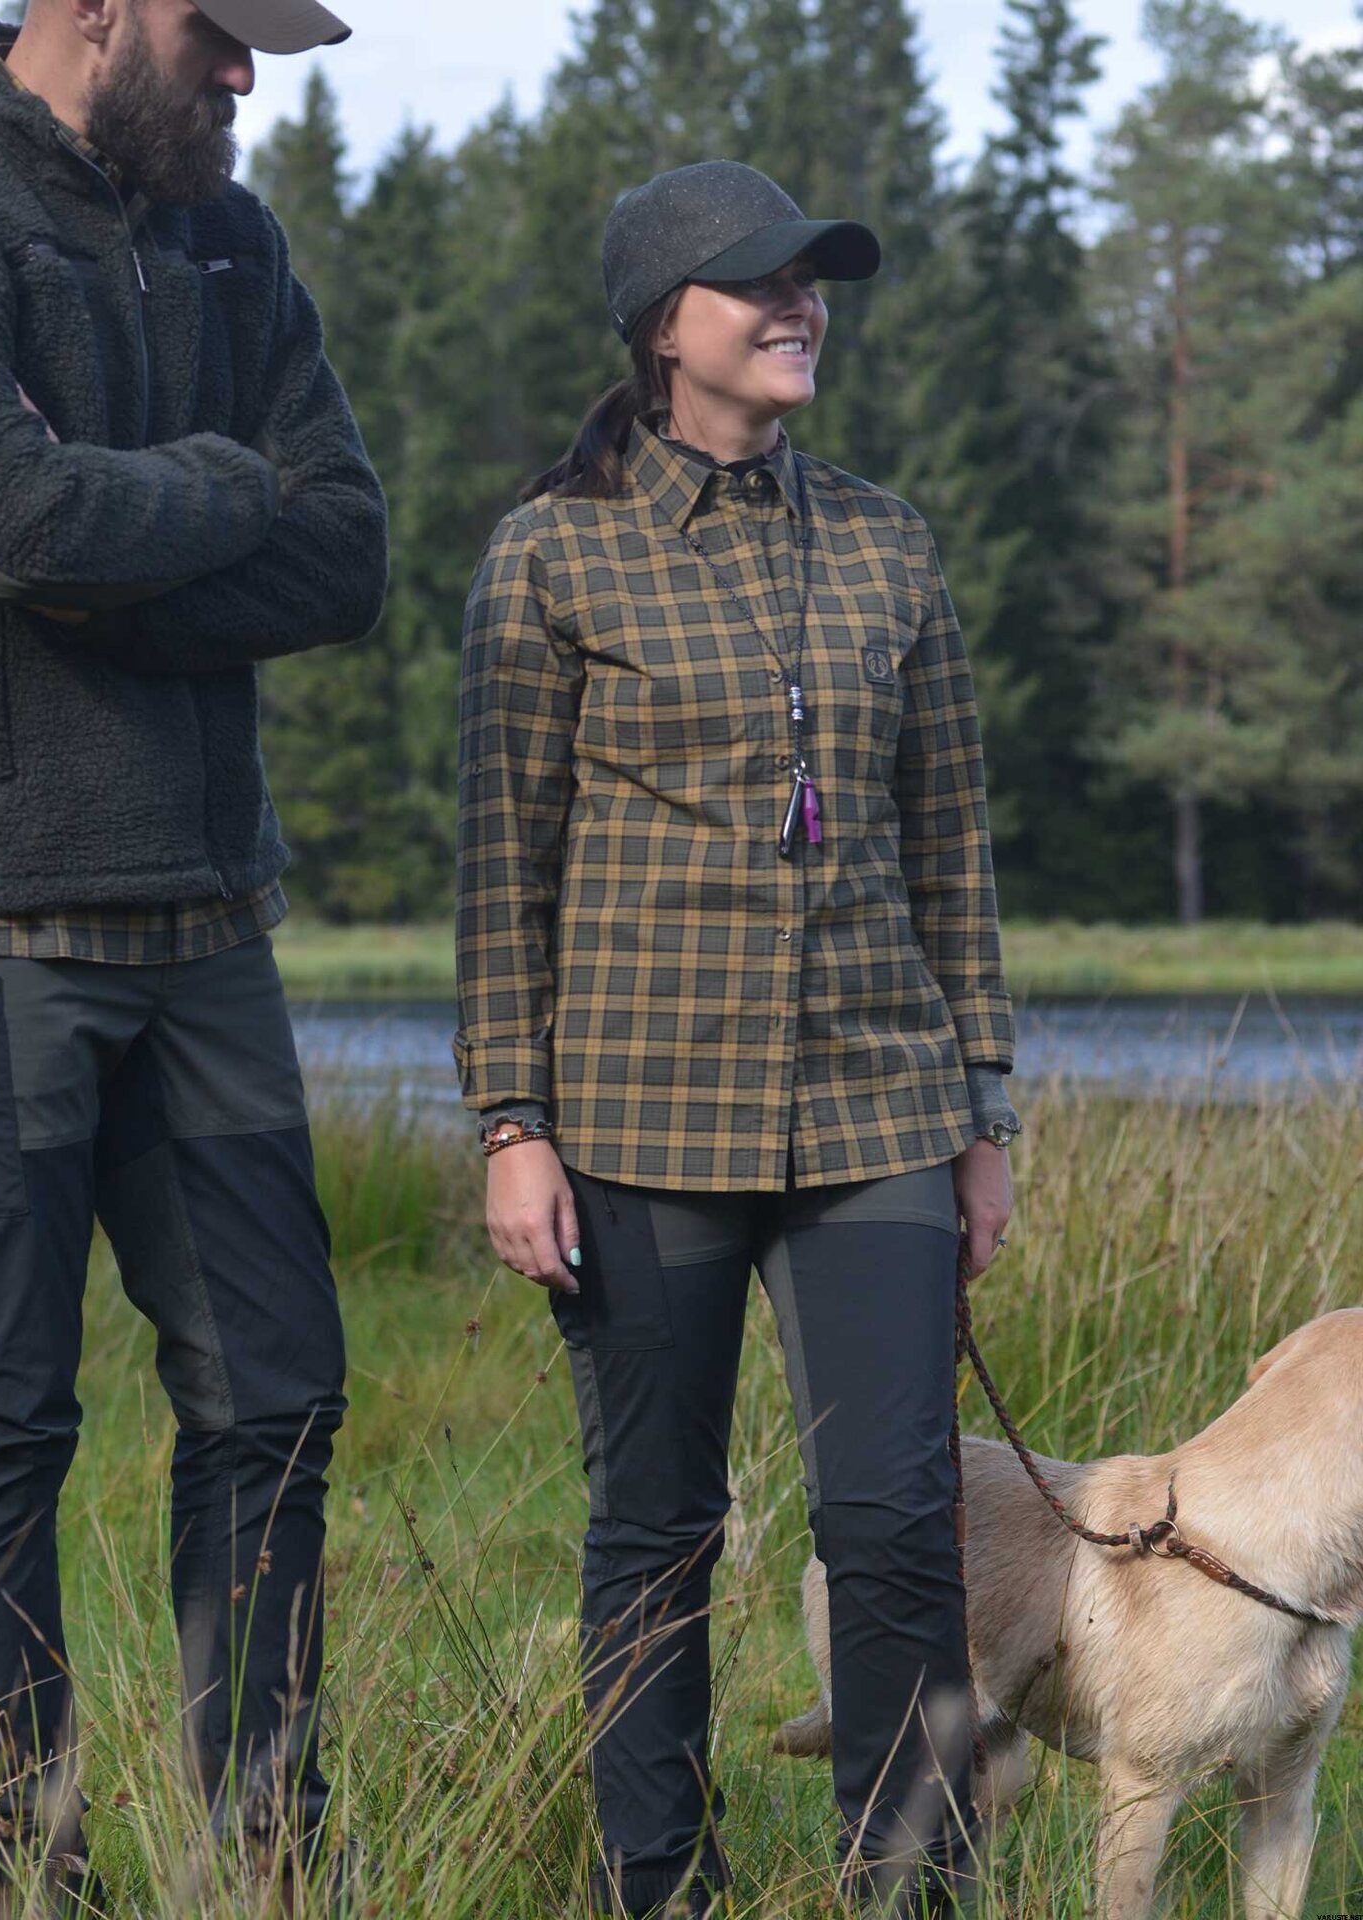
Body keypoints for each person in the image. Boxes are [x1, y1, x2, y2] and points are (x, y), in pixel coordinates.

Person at [454, 160, 1020, 1918]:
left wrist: (983, 1114)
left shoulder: (886, 540)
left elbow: (950, 847)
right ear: (660, 326)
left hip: (881, 1110)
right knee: (655, 1527)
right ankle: (658, 1882)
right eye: (759, 283)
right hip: (634, 1120)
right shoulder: (552, 551)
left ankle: (911, 1886)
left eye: (811, 280)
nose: (799, 308)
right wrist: (511, 1123)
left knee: (897, 1521)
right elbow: (503, 865)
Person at [0, 0, 387, 1912]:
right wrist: (225, 488)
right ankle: (18, 1873)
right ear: (94, 7)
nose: (249, 74)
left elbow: (345, 555)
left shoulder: (235, 239)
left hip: (211, 932)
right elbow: (19, 520)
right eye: (220, 30)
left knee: (278, 1403)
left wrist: (141, 544)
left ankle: (268, 1858)